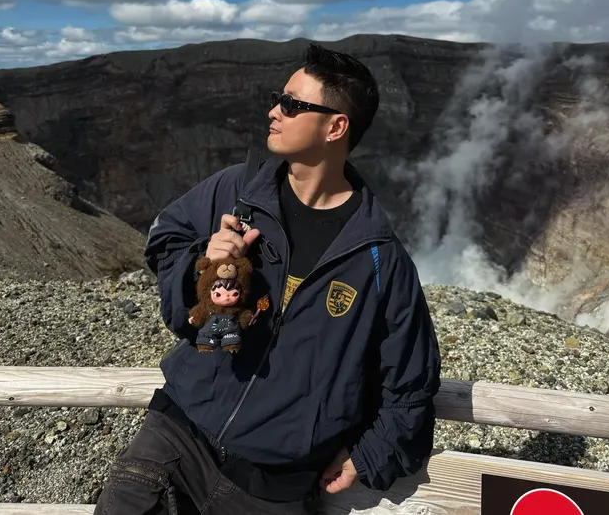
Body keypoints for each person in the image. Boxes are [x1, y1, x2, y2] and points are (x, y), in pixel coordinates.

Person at [94, 43, 441, 515]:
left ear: (336, 125)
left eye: (293, 104)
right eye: (280, 99)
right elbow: (164, 243)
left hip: (272, 492)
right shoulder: (237, 189)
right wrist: (203, 261)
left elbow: (412, 384)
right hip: (174, 442)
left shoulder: (381, 260)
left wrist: (369, 456)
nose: (273, 111)